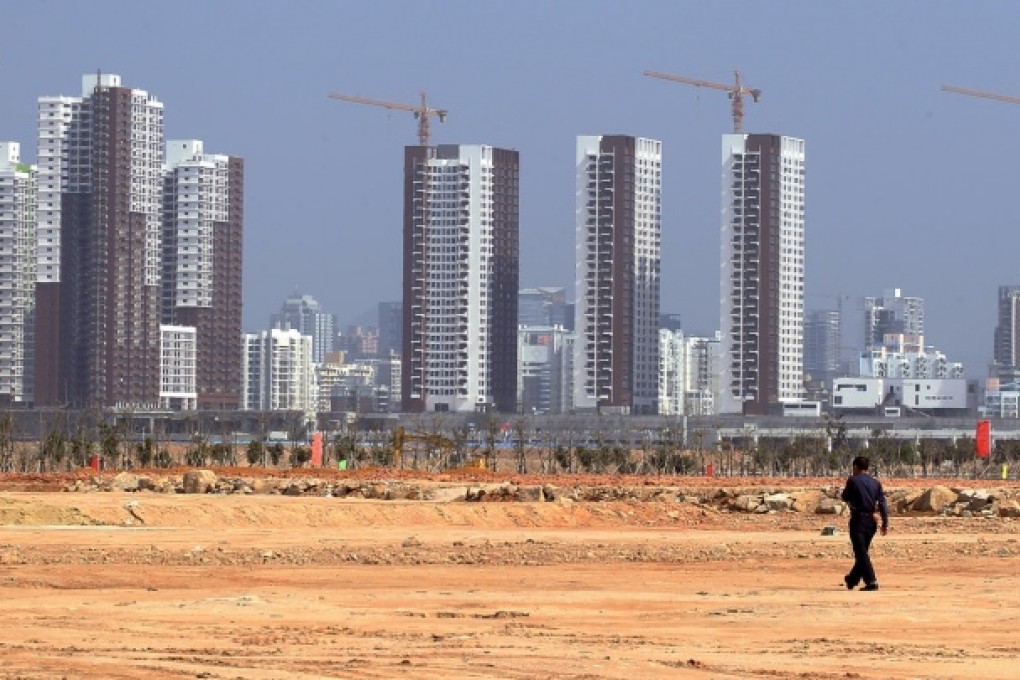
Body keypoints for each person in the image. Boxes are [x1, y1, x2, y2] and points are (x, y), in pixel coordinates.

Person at [840, 455, 889, 591]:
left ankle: (871, 581)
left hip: (858, 520)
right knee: (863, 552)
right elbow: (883, 503)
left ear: (855, 467)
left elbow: (845, 497)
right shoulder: (876, 483)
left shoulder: (853, 481)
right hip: (872, 522)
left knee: (861, 553)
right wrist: (885, 522)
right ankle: (852, 579)